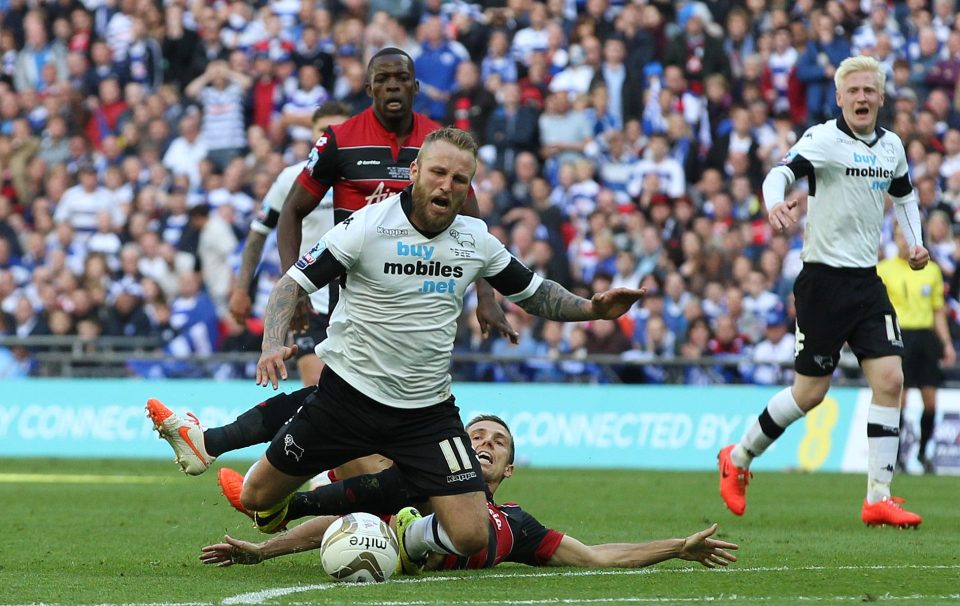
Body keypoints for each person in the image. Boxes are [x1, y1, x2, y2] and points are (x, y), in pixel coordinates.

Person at [150, 127, 646, 570]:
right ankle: (271, 491)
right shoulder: (368, 226)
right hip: (346, 399)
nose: (447, 186)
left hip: (427, 414)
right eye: (438, 173)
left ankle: (404, 539)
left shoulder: (476, 240)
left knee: (472, 533)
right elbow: (290, 285)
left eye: (459, 179)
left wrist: (593, 309)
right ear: (414, 172)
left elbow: (535, 292)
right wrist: (272, 342)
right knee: (257, 500)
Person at [717, 56, 928, 528]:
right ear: (838, 97)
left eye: (869, 90)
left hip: (866, 282)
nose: (860, 97)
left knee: (891, 381)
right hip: (822, 283)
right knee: (809, 394)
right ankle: (739, 455)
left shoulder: (892, 146)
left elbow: (906, 197)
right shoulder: (823, 140)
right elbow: (780, 173)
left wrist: (916, 242)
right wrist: (774, 204)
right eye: (852, 90)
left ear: (881, 96)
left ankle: (879, 496)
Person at [200, 415, 739, 572]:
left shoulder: (519, 526)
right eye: (475, 435)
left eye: (497, 442)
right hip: (399, 498)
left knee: (396, 504)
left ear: (507, 468)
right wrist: (263, 551)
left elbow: (597, 557)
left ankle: (412, 538)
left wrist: (677, 547)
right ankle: (278, 500)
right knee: (350, 430)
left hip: (422, 524)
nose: (485, 443)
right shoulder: (417, 477)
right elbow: (351, 522)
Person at [275, 47, 510, 343]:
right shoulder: (339, 140)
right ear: (369, 88)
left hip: (421, 292)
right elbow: (291, 211)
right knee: (342, 386)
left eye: (402, 77)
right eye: (383, 78)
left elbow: (473, 222)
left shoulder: (438, 142)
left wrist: (486, 294)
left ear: (415, 86)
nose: (393, 85)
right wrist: (291, 288)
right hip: (355, 297)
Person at [228, 101, 352, 389]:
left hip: (357, 298)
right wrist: (241, 288)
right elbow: (259, 232)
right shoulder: (292, 178)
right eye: (324, 131)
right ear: (312, 136)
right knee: (316, 387)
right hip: (310, 299)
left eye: (340, 130)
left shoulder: (365, 179)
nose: (331, 137)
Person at [877, 225, 956, 474]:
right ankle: (897, 457)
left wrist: (946, 343)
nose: (903, 242)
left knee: (930, 401)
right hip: (899, 336)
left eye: (907, 237)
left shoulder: (931, 271)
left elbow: (937, 310)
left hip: (925, 337)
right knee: (900, 399)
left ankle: (923, 453)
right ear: (895, 239)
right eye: (899, 236)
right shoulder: (884, 269)